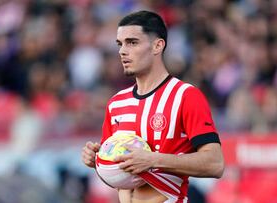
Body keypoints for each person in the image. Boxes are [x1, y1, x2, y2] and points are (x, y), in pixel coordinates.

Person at [81, 10, 224, 203]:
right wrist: (99, 163)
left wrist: (153, 160)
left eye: (132, 42)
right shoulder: (116, 103)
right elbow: (120, 178)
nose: (123, 51)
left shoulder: (185, 96)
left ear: (157, 45)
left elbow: (215, 164)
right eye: (120, 44)